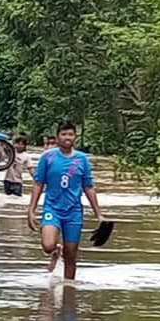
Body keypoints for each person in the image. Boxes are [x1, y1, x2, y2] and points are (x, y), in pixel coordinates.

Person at [27, 120, 104, 281]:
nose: (67, 137)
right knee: (48, 245)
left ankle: (69, 290)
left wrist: (99, 214)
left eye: (70, 134)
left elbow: (88, 187)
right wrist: (31, 210)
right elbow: (39, 183)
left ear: (75, 136)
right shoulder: (48, 157)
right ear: (57, 137)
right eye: (63, 134)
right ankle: (56, 251)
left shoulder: (82, 159)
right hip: (52, 209)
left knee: (71, 255)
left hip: (74, 212)